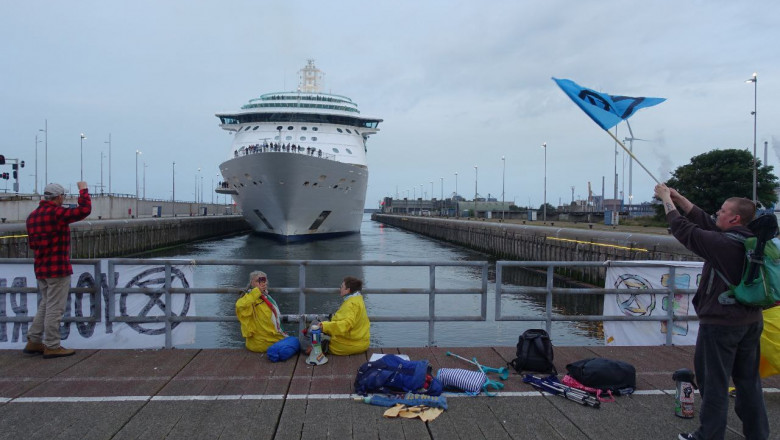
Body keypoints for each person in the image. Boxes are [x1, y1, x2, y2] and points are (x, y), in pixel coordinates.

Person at [654, 183, 769, 440]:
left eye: (723, 210)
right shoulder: (748, 240)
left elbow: (684, 230)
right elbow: (704, 221)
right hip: (750, 321)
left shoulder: (723, 245)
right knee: (748, 382)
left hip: (721, 324)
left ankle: (709, 435)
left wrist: (666, 201)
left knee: (713, 383)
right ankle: (758, 434)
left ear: (735, 218)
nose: (717, 212)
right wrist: (679, 198)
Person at [24, 182, 91, 359]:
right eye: (63, 196)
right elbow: (83, 210)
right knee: (55, 307)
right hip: (57, 268)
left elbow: (32, 244)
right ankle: (52, 345)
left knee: (45, 304)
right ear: (58, 197)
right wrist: (83, 190)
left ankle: (34, 340)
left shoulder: (32, 216)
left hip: (41, 267)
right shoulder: (56, 213)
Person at [235, 271, 287, 353]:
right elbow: (240, 306)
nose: (262, 283)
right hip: (260, 343)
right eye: (258, 281)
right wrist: (256, 291)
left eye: (264, 281)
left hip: (270, 339)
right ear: (252, 283)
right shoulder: (249, 298)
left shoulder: (266, 297)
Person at [320, 276, 370, 355]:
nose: (340, 288)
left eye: (342, 287)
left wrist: (324, 326)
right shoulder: (358, 299)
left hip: (347, 346)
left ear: (348, 290)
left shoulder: (351, 304)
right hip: (362, 343)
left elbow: (346, 324)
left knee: (312, 342)